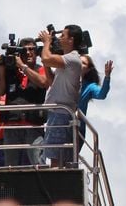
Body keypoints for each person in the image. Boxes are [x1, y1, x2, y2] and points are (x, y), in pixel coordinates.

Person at [0, 38, 48, 166]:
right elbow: (0, 90)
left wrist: (23, 67)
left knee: (38, 164)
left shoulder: (40, 69)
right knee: (11, 167)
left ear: (37, 52)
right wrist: (0, 67)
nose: (28, 53)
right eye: (24, 50)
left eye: (32, 49)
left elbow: (43, 83)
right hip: (12, 125)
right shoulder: (10, 71)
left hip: (33, 125)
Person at [39, 25, 83, 168]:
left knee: (55, 157)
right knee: (57, 155)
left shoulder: (72, 59)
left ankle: (55, 186)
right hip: (58, 113)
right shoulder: (67, 60)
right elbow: (51, 81)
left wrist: (46, 43)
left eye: (62, 35)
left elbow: (47, 59)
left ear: (71, 40)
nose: (59, 38)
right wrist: (45, 58)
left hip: (61, 114)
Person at [78, 56, 113, 151]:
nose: (80, 64)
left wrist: (107, 77)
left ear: (88, 69)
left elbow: (102, 94)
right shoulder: (65, 80)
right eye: (78, 61)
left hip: (77, 129)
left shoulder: (89, 87)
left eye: (83, 63)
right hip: (61, 124)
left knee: (70, 160)